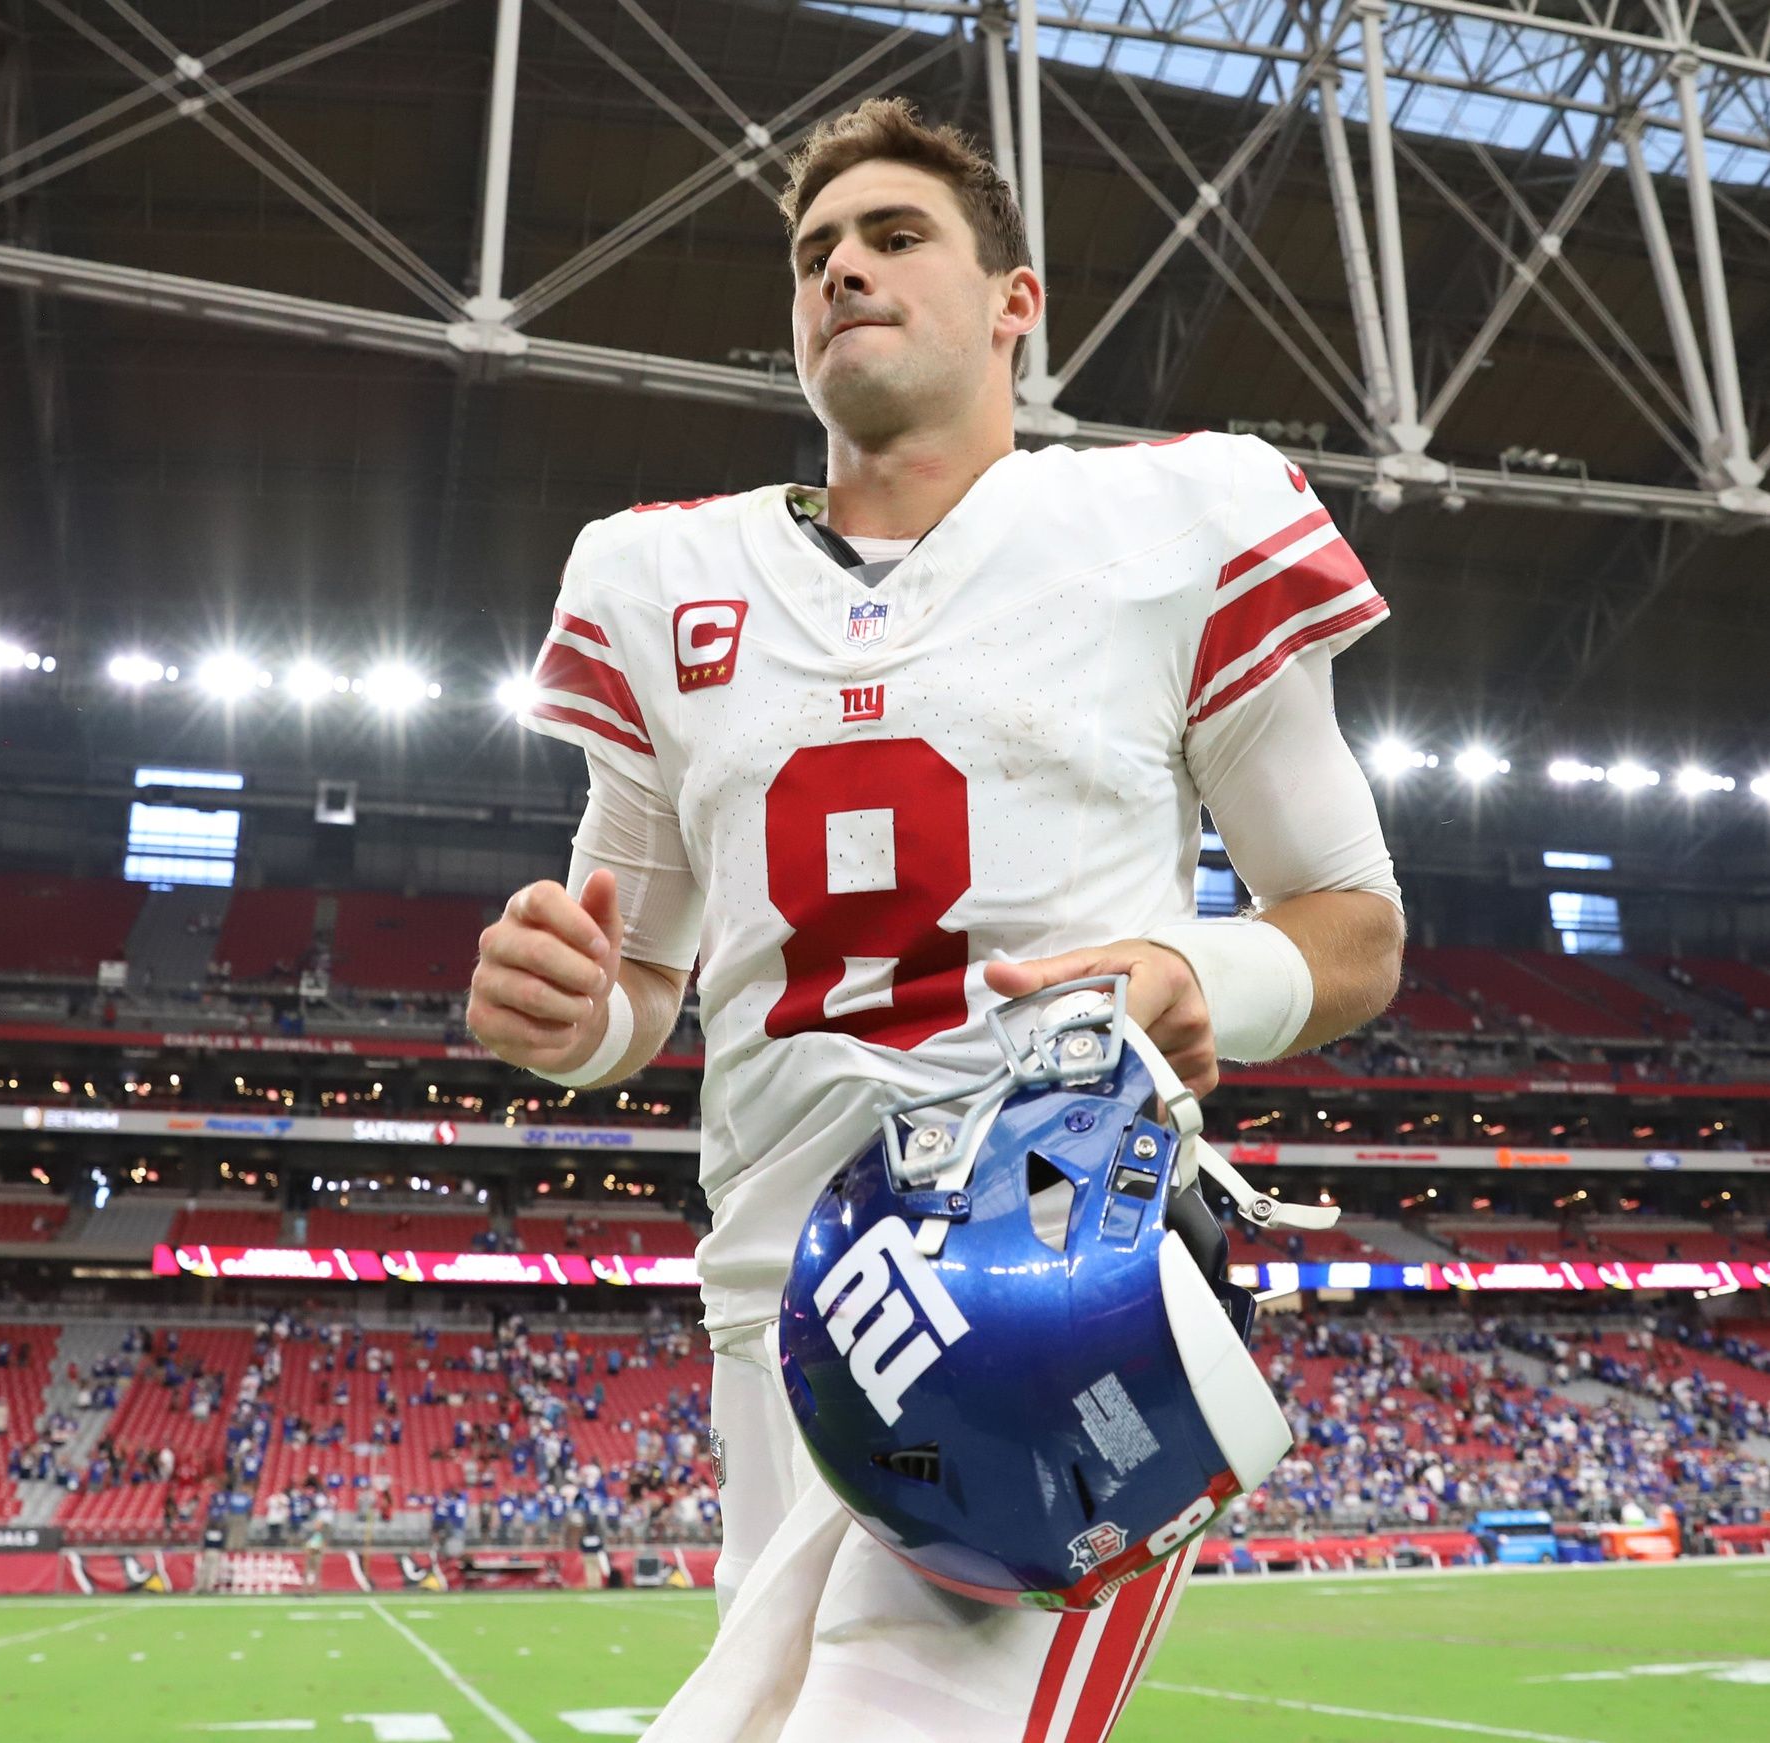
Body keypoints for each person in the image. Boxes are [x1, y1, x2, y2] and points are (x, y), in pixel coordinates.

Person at [469, 97, 1405, 1742]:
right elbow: (632, 971)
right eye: (812, 252)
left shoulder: (1172, 520)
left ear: (1013, 303)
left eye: (894, 237)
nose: (841, 269)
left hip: (1039, 1262)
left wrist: (1202, 970)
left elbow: (1352, 926)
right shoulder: (653, 577)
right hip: (778, 1298)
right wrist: (567, 1011)